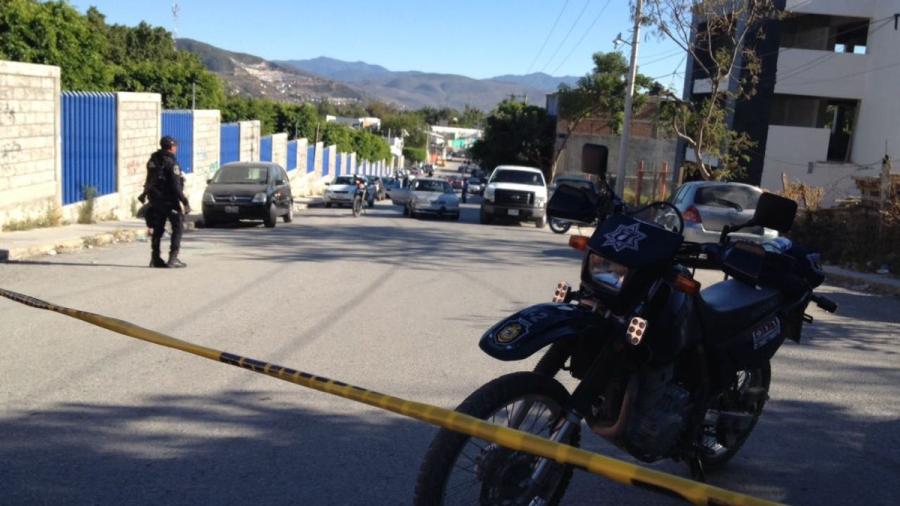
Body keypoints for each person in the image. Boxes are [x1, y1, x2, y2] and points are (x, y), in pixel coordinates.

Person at [142, 136, 190, 268]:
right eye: (175, 146)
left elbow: (150, 180)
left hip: (155, 200)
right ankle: (173, 258)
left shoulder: (153, 160)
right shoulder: (171, 163)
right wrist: (185, 201)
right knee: (178, 227)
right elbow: (175, 186)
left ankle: (155, 258)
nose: (176, 148)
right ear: (172, 147)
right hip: (169, 201)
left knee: (158, 229)